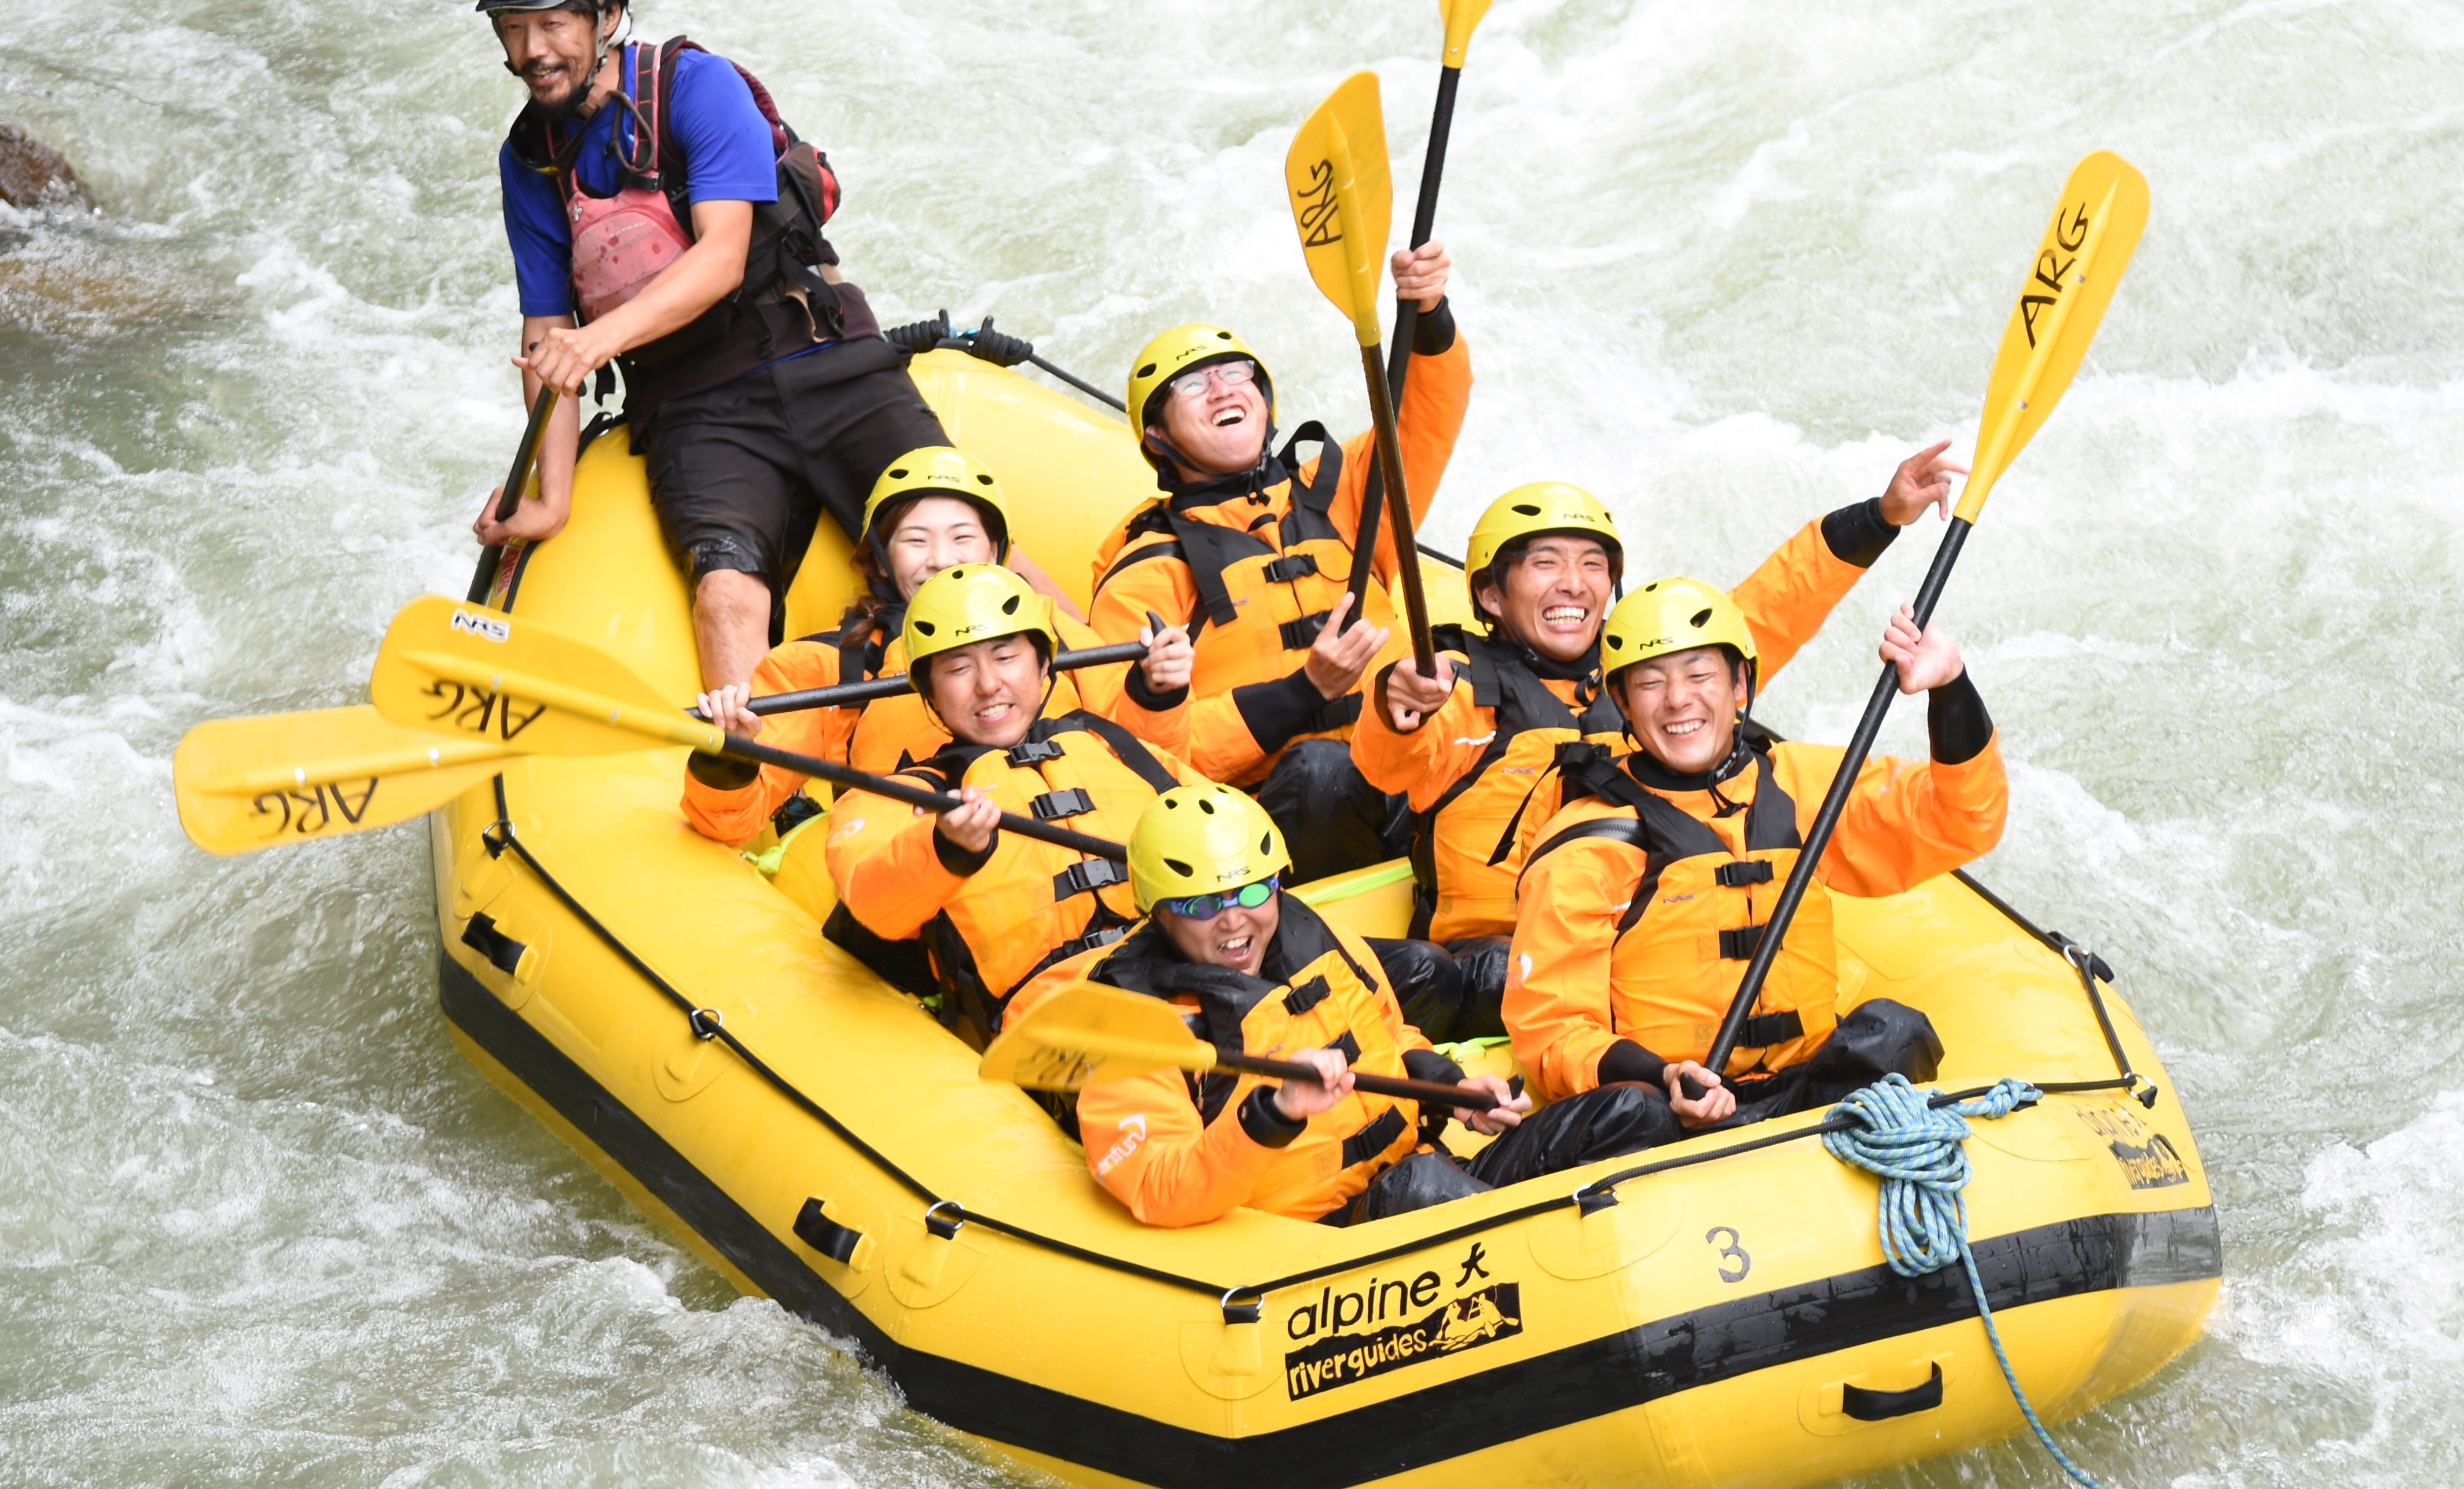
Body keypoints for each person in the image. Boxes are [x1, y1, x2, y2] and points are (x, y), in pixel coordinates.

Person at [468, 0, 948, 691]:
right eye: (513, 30)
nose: (532, 52)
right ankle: (763, 790)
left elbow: (723, 257)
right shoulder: (531, 158)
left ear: (609, 14)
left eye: (553, 25)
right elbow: (547, 331)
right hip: (693, 402)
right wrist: (552, 498)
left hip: (818, 351)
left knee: (951, 535)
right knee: (725, 598)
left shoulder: (696, 84)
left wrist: (598, 342)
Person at [1349, 446, 1965, 1041]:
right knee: (1492, 972)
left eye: (1593, 564)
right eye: (1546, 564)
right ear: (1489, 594)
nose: (1574, 584)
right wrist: (1397, 706)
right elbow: (1388, 762)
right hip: (1500, 960)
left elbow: (1778, 601)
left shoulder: (1650, 677)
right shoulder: (1453, 684)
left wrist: (1881, 516)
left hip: (1629, 947)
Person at [1036, 784, 1677, 1227]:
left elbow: (1391, 1033)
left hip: (1418, 1169)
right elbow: (1157, 1185)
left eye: (1254, 890)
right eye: (1202, 905)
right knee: (1422, 1192)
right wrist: (1274, 1110)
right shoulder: (1126, 1020)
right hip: (1320, 1242)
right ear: (1158, 911)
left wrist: (1454, 1088)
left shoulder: (1307, 931)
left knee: (1631, 1108)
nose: (1234, 922)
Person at [1505, 578, 2007, 1133]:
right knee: (1630, 1113)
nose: (1678, 700)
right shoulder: (1589, 842)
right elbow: (1553, 1031)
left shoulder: (1805, 784)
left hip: (1803, 1085)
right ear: (1621, 701)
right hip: (1676, 1110)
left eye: (1699, 675)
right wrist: (1666, 1075)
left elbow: (1963, 820)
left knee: (1896, 1034)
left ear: (1741, 683)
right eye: (1651, 683)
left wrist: (1951, 688)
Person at [1082, 245, 1464, 880]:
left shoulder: (1343, 491)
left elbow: (1429, 411)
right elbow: (1143, 754)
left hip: (1410, 768)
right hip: (1269, 828)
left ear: (1264, 400)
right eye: (1193, 383)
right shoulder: (1148, 570)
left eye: (1237, 373)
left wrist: (1428, 311)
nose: (1223, 388)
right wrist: (1303, 693)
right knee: (1320, 770)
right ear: (1157, 436)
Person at [680, 447, 1191, 847]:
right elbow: (733, 821)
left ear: (996, 553)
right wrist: (729, 757)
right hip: (939, 875)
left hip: (1101, 843)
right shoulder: (830, 666)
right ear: (880, 561)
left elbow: (1148, 760)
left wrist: (1157, 693)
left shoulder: (1053, 630)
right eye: (916, 541)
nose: (941, 560)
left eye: (962, 538)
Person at [824, 565, 1191, 1038]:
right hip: (1056, 1014)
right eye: (958, 668)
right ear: (929, 695)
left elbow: (1217, 823)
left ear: (1043, 666)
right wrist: (947, 848)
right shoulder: (902, 797)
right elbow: (874, 904)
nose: (988, 684)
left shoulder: (1105, 741)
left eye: (1006, 657)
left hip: (1185, 966)